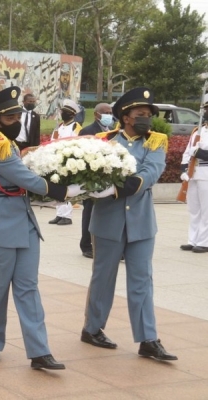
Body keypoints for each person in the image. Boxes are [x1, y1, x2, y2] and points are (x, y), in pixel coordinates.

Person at [0, 86, 84, 369]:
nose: (17, 121)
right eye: (10, 118)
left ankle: (39, 351)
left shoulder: (7, 144)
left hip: (23, 224)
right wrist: (66, 191)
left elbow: (22, 168)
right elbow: (26, 179)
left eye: (17, 115)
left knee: (28, 288)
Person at [82, 87, 177, 362]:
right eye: (141, 114)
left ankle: (148, 339)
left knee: (141, 282)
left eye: (148, 114)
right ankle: (92, 329)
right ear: (126, 117)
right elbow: (91, 174)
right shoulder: (105, 141)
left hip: (141, 223)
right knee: (103, 279)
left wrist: (124, 185)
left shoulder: (156, 141)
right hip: (108, 222)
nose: (146, 119)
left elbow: (152, 171)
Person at [78, 102, 114, 258]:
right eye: (105, 112)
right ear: (96, 114)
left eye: (110, 112)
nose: (108, 115)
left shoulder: (114, 131)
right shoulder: (87, 131)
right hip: (92, 178)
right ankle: (86, 245)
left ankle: (106, 245)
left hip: (110, 178)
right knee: (89, 212)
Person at [180, 101, 208, 253]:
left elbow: (196, 152)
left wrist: (199, 153)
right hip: (193, 174)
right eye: (205, 109)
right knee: (194, 209)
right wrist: (183, 170)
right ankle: (193, 240)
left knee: (206, 211)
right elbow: (187, 152)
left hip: (206, 175)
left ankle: (204, 242)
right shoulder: (198, 130)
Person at [48, 99, 82, 226]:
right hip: (57, 160)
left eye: (66, 112)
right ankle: (60, 214)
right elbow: (52, 140)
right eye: (63, 111)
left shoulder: (76, 127)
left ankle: (67, 216)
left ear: (73, 114)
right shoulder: (59, 126)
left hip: (69, 161)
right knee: (57, 187)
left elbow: (77, 143)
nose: (63, 114)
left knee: (67, 188)